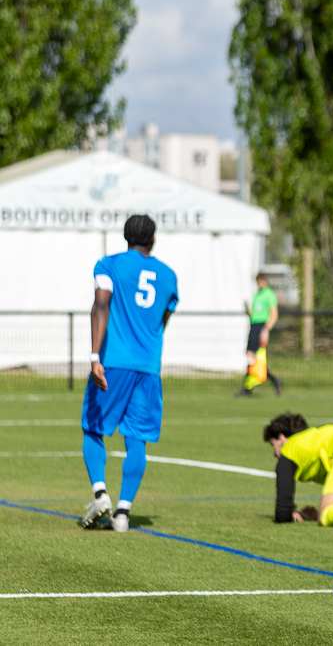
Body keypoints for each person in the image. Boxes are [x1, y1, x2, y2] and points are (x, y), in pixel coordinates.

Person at [80, 215, 179, 533]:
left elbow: (101, 304)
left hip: (114, 363)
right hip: (148, 368)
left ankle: (100, 494)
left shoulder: (109, 265)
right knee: (137, 438)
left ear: (125, 236)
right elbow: (163, 319)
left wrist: (95, 356)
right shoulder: (168, 275)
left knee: (93, 429)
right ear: (153, 239)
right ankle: (123, 514)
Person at [237, 273, 283, 397]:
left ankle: (247, 389)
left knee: (252, 356)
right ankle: (275, 380)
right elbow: (253, 314)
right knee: (254, 358)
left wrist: (266, 329)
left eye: (262, 281)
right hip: (254, 326)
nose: (260, 283)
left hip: (262, 326)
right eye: (258, 281)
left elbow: (274, 314)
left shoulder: (269, 294)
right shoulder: (256, 295)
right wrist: (247, 307)